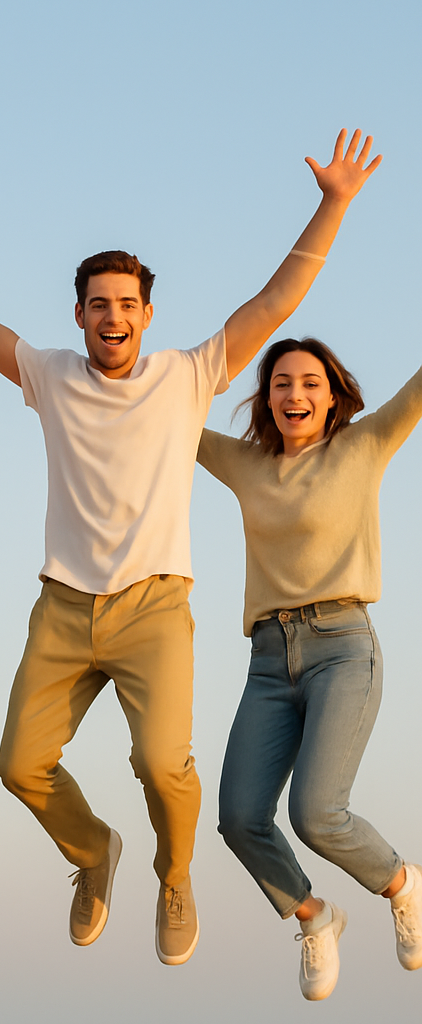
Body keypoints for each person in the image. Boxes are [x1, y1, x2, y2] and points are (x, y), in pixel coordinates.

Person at [0, 129, 380, 964]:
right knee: (20, 766)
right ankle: (94, 856)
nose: (113, 316)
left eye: (127, 303)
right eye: (98, 303)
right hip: (62, 606)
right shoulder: (49, 374)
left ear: (146, 315)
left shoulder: (186, 373)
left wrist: (332, 202)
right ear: (79, 313)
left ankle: (174, 874)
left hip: (155, 606)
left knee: (164, 766)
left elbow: (275, 303)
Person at [198, 337, 422, 1000]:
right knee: (239, 817)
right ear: (265, 398)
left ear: (333, 396)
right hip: (269, 660)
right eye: (282, 384)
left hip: (344, 648)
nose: (296, 395)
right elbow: (163, 421)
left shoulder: (365, 444)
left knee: (317, 813)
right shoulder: (244, 463)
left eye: (310, 384)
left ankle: (401, 883)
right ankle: (314, 916)